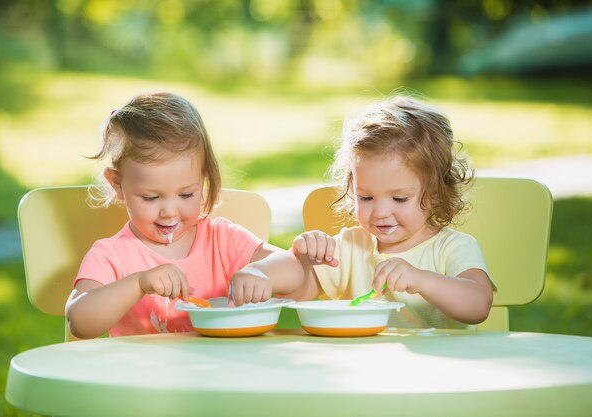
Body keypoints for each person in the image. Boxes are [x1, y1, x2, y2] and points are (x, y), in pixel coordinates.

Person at [65, 92, 301, 338]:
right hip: (143, 374)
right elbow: (80, 323)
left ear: (204, 181)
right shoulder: (112, 255)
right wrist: (138, 283)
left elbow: (294, 270)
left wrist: (259, 272)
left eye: (187, 195)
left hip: (224, 371)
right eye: (151, 198)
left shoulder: (221, 240)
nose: (169, 212)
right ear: (117, 184)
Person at [290, 95, 495, 329]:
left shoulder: (452, 248)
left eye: (399, 198)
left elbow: (479, 305)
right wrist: (300, 258)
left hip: (438, 364)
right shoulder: (350, 248)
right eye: (366, 197)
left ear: (436, 193)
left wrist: (422, 279)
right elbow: (298, 288)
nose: (380, 212)